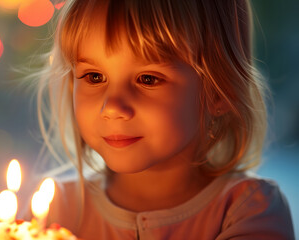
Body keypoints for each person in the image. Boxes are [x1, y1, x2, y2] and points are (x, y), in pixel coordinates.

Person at [31, 0, 295, 239]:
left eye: (148, 79)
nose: (111, 107)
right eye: (94, 77)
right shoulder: (52, 210)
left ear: (218, 92)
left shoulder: (247, 212)